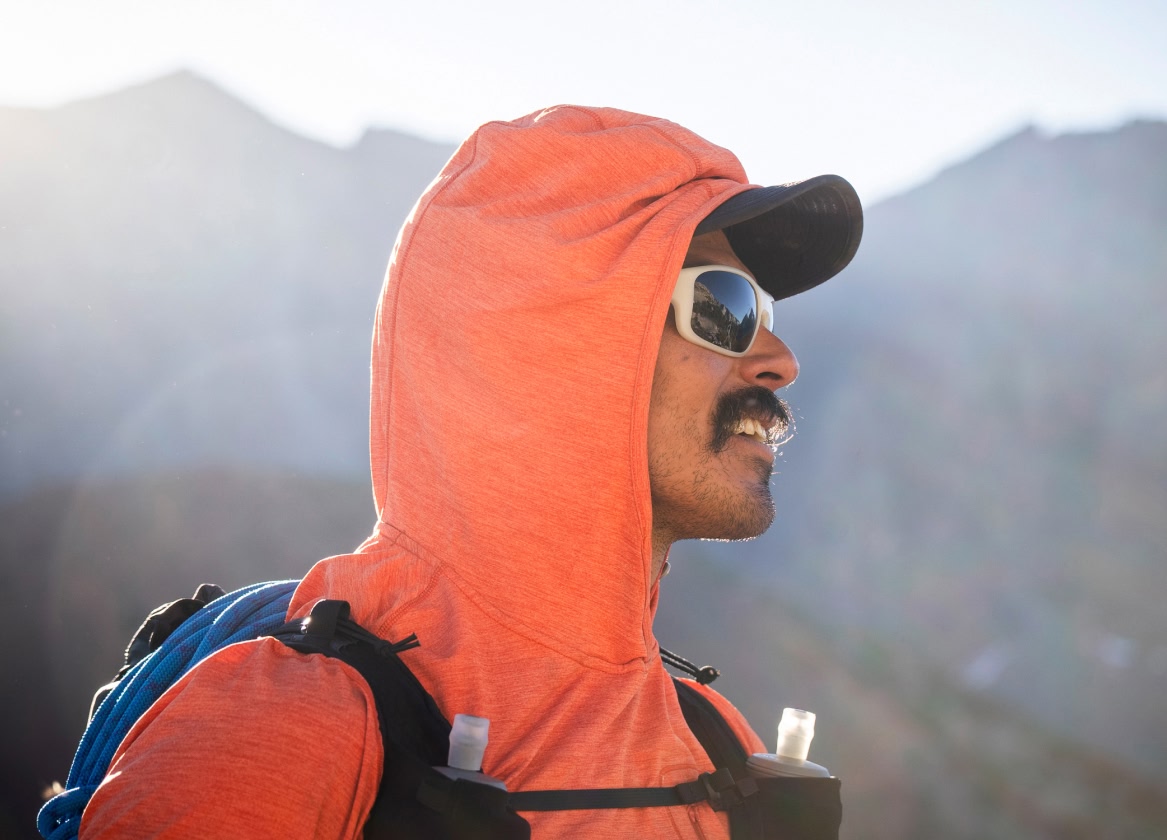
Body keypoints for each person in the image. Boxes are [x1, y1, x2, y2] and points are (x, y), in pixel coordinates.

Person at [79, 105, 862, 838]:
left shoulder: (717, 743)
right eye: (721, 303)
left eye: (766, 312)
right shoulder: (277, 733)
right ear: (548, 342)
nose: (781, 362)